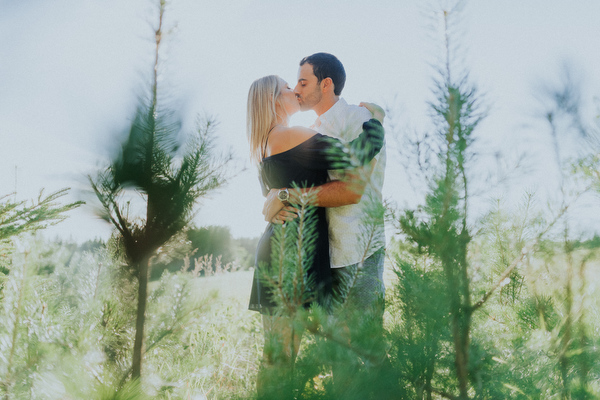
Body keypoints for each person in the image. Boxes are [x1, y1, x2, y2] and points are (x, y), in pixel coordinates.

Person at [246, 74, 384, 396]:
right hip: (292, 252)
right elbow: (356, 155)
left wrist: (282, 198)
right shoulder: (290, 135)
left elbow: (273, 195)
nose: (294, 90)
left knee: (279, 357)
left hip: (287, 245)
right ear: (272, 100)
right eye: (286, 88)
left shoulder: (265, 141)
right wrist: (376, 119)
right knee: (280, 359)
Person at [263, 53, 387, 320]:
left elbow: (351, 191)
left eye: (303, 83)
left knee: (366, 348)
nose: (296, 90)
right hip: (323, 256)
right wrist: (271, 201)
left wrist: (286, 196)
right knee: (336, 353)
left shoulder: (359, 119)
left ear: (326, 84)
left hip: (358, 251)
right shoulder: (310, 130)